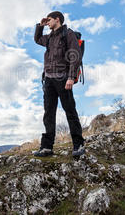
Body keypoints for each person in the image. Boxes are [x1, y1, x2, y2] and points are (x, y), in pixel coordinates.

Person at [33, 11, 85, 157]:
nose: (48, 22)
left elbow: (75, 56)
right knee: (49, 113)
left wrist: (71, 77)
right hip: (49, 80)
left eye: (49, 20)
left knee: (70, 111)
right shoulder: (49, 37)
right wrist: (40, 25)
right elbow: (37, 39)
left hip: (63, 79)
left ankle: (78, 145)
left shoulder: (68, 34)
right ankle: (47, 147)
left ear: (57, 19)